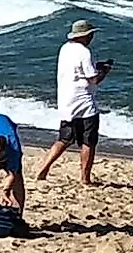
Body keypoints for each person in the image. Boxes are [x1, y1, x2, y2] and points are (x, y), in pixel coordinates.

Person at [35, 20, 112, 190]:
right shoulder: (85, 52)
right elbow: (93, 80)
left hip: (66, 101)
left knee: (64, 138)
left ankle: (44, 168)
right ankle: (85, 178)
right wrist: (104, 71)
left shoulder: (65, 48)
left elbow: (76, 71)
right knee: (88, 141)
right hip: (84, 102)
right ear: (86, 36)